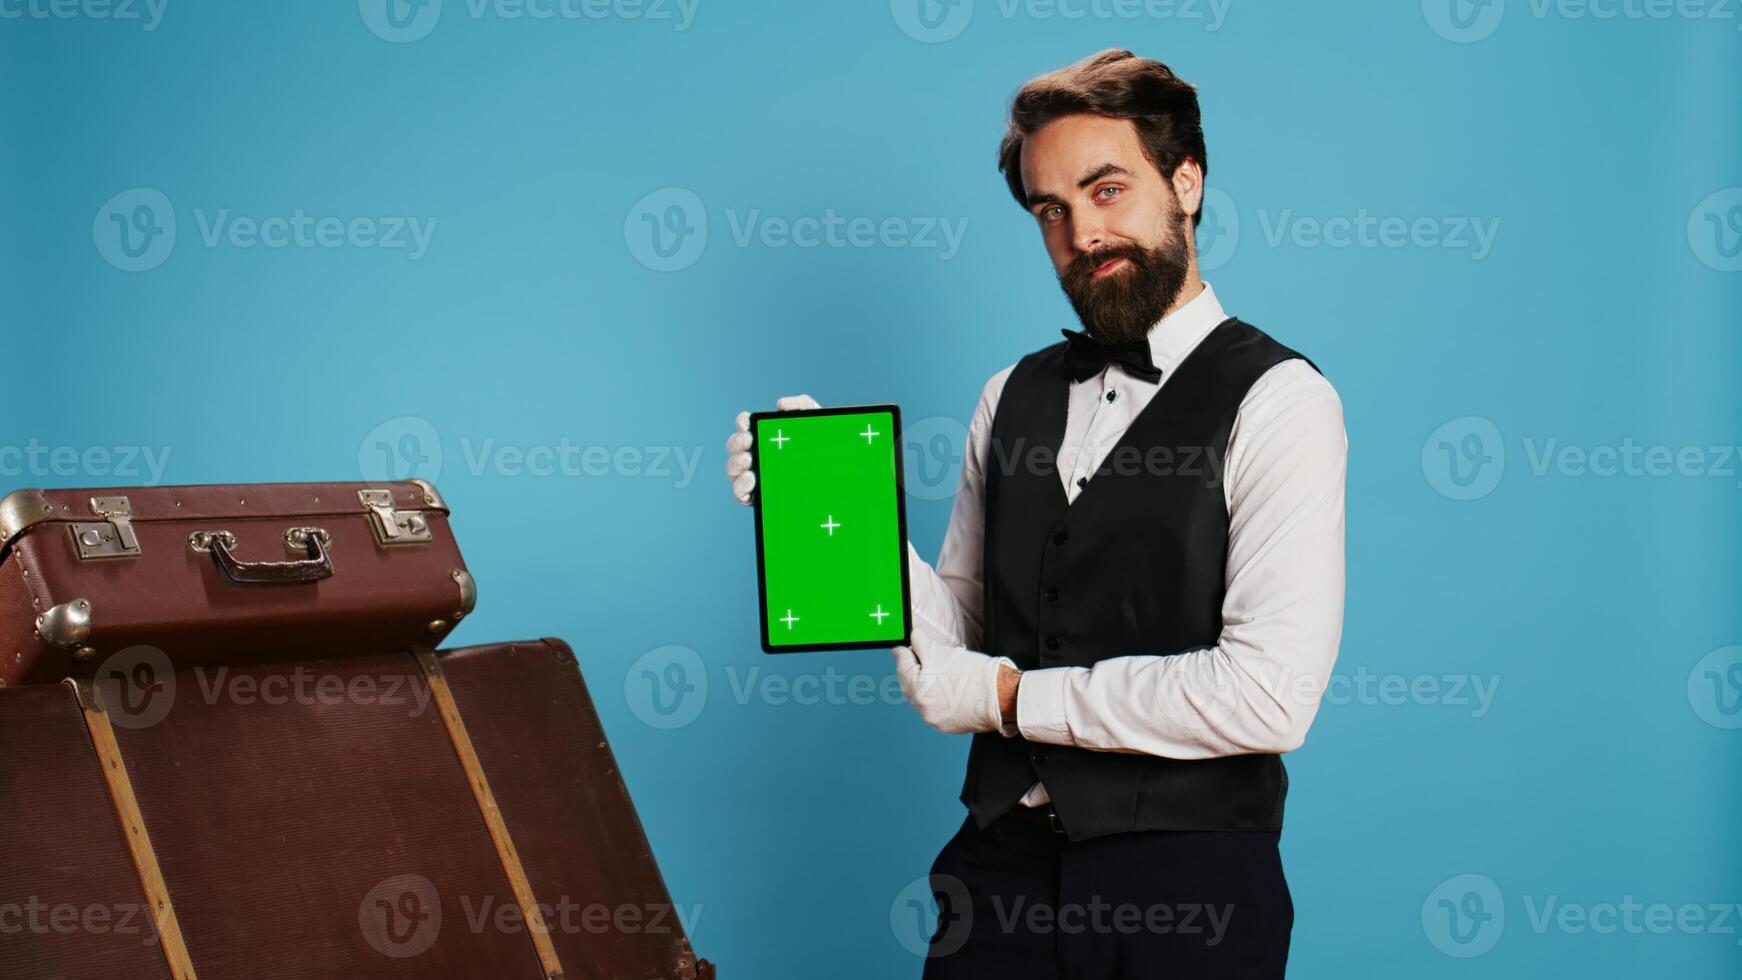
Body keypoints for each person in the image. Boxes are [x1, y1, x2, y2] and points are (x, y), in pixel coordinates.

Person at [725, 48, 1346, 979]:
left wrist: (1015, 701)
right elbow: (957, 638)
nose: (1081, 234)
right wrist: (838, 520)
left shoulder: (1282, 400)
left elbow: (1268, 694)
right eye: (1050, 210)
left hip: (1192, 890)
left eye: (1106, 191)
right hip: (999, 877)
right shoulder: (1008, 395)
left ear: (1186, 181)